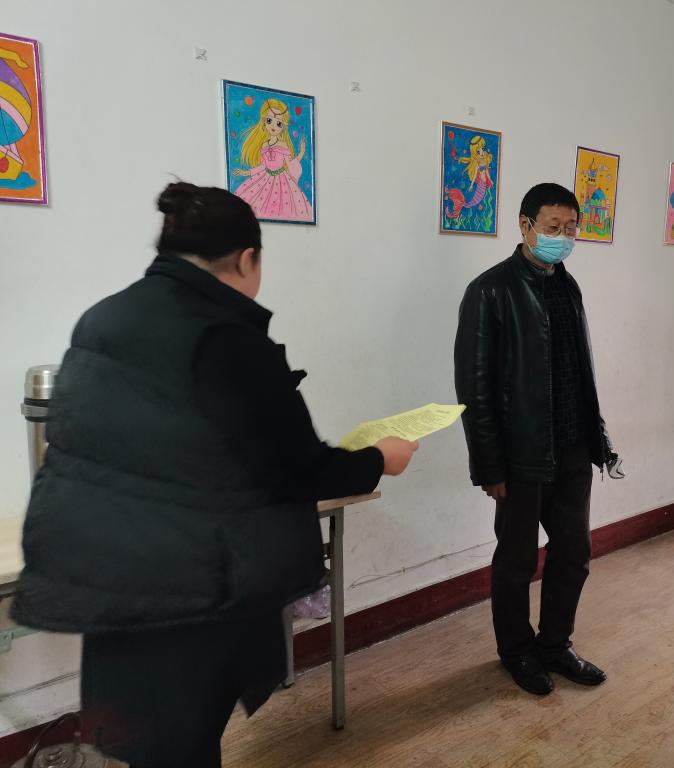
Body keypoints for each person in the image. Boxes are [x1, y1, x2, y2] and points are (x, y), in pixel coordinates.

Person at [12, 182, 418, 768]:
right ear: (247, 259)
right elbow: (298, 468)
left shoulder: (103, 319)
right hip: (189, 593)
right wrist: (381, 458)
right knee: (184, 744)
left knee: (143, 743)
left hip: (109, 579)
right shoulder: (225, 337)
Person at [454, 182, 623, 696]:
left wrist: (596, 440)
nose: (563, 237)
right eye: (553, 227)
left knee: (574, 555)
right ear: (525, 225)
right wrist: (490, 466)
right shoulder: (490, 291)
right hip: (521, 456)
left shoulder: (568, 287)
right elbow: (474, 387)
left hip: (572, 449)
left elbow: (579, 371)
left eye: (571, 228)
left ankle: (554, 645)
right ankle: (516, 651)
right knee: (516, 560)